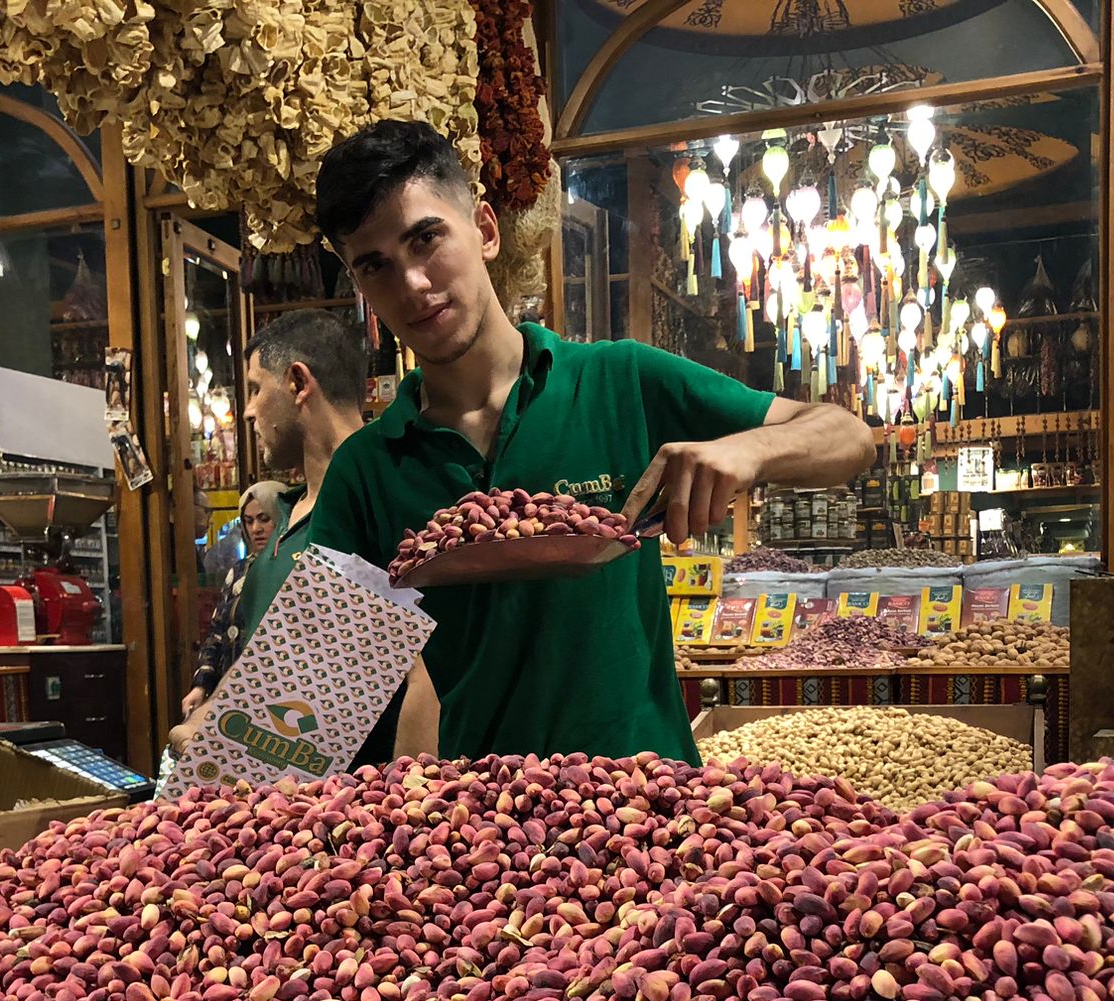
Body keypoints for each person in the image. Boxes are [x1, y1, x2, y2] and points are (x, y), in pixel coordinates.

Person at [308, 120, 874, 764]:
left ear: (485, 231)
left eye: (426, 239)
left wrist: (746, 452)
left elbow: (848, 436)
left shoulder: (619, 380)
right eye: (375, 265)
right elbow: (316, 680)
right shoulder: (365, 469)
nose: (410, 283)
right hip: (485, 830)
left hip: (652, 809)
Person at [167, 309, 369, 752]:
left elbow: (420, 676)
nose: (248, 411)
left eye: (256, 389)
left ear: (298, 384)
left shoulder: (377, 499)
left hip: (364, 802)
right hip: (283, 802)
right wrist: (207, 720)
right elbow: (266, 668)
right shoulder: (284, 520)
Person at [183, 479, 290, 718]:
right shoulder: (240, 570)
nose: (256, 529)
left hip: (279, 691)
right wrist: (202, 684)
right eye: (249, 521)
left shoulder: (294, 566)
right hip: (232, 689)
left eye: (265, 518)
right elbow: (218, 631)